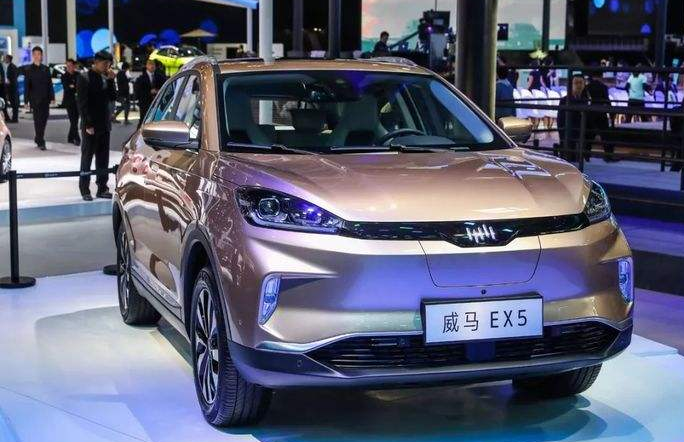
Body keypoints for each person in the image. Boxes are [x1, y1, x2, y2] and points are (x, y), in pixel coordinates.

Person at [77, 50, 117, 201]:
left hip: (104, 124)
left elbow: (112, 97)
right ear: (96, 62)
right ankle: (84, 189)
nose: (107, 67)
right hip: (90, 125)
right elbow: (82, 103)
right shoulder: (84, 77)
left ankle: (102, 188)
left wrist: (112, 81)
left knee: (103, 157)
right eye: (105, 64)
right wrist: (87, 124)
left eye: (109, 64)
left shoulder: (106, 77)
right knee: (87, 157)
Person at [24, 46, 55, 150]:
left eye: (39, 54)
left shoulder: (46, 69)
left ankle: (38, 137)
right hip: (35, 99)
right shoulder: (28, 70)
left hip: (45, 99)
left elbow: (50, 84)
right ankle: (41, 141)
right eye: (35, 54)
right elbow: (27, 86)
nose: (37, 56)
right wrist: (26, 101)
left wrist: (52, 97)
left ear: (41, 56)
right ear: (33, 56)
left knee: (44, 118)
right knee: (38, 120)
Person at [558, 74, 590, 162]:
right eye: (576, 83)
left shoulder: (585, 100)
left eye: (581, 83)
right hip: (569, 132)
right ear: (571, 85)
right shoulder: (564, 100)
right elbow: (560, 120)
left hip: (581, 132)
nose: (579, 85)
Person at [585, 71, 616, 162]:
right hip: (601, 112)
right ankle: (608, 156)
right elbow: (607, 100)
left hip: (590, 112)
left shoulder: (588, 87)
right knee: (605, 136)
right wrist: (611, 113)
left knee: (589, 136)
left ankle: (586, 156)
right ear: (601, 76)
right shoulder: (603, 86)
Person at [134, 58, 166, 127]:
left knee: (156, 121)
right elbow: (138, 91)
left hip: (157, 103)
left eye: (153, 64)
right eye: (150, 64)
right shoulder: (141, 78)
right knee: (144, 120)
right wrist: (149, 92)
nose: (152, 66)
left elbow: (165, 87)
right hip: (145, 104)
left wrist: (158, 91)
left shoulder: (160, 76)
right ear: (146, 66)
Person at [61, 59, 81, 145]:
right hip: (69, 101)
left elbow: (80, 86)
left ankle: (70, 137)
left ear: (74, 66)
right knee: (73, 120)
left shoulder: (78, 75)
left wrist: (73, 86)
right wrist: (73, 86)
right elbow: (67, 87)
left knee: (75, 120)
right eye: (67, 66)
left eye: (70, 66)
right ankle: (77, 138)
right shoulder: (64, 76)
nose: (69, 67)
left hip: (78, 100)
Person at [3, 55, 19, 122]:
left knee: (14, 103)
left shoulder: (11, 67)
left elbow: (12, 77)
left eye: (6, 58)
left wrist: (9, 83)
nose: (5, 60)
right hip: (13, 87)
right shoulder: (12, 66)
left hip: (12, 87)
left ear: (9, 59)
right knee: (13, 103)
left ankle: (15, 119)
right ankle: (14, 118)